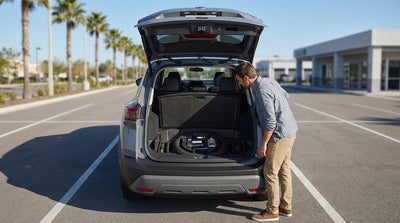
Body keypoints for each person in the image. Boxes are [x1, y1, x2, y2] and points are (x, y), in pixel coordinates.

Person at [233, 62, 298, 222]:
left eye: (240, 81)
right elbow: (286, 95)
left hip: (280, 135)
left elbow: (270, 123)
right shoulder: (270, 81)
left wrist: (263, 145)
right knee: (283, 170)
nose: (240, 84)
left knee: (270, 172)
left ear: (246, 78)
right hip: (290, 131)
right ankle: (285, 207)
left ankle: (272, 211)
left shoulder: (262, 91)